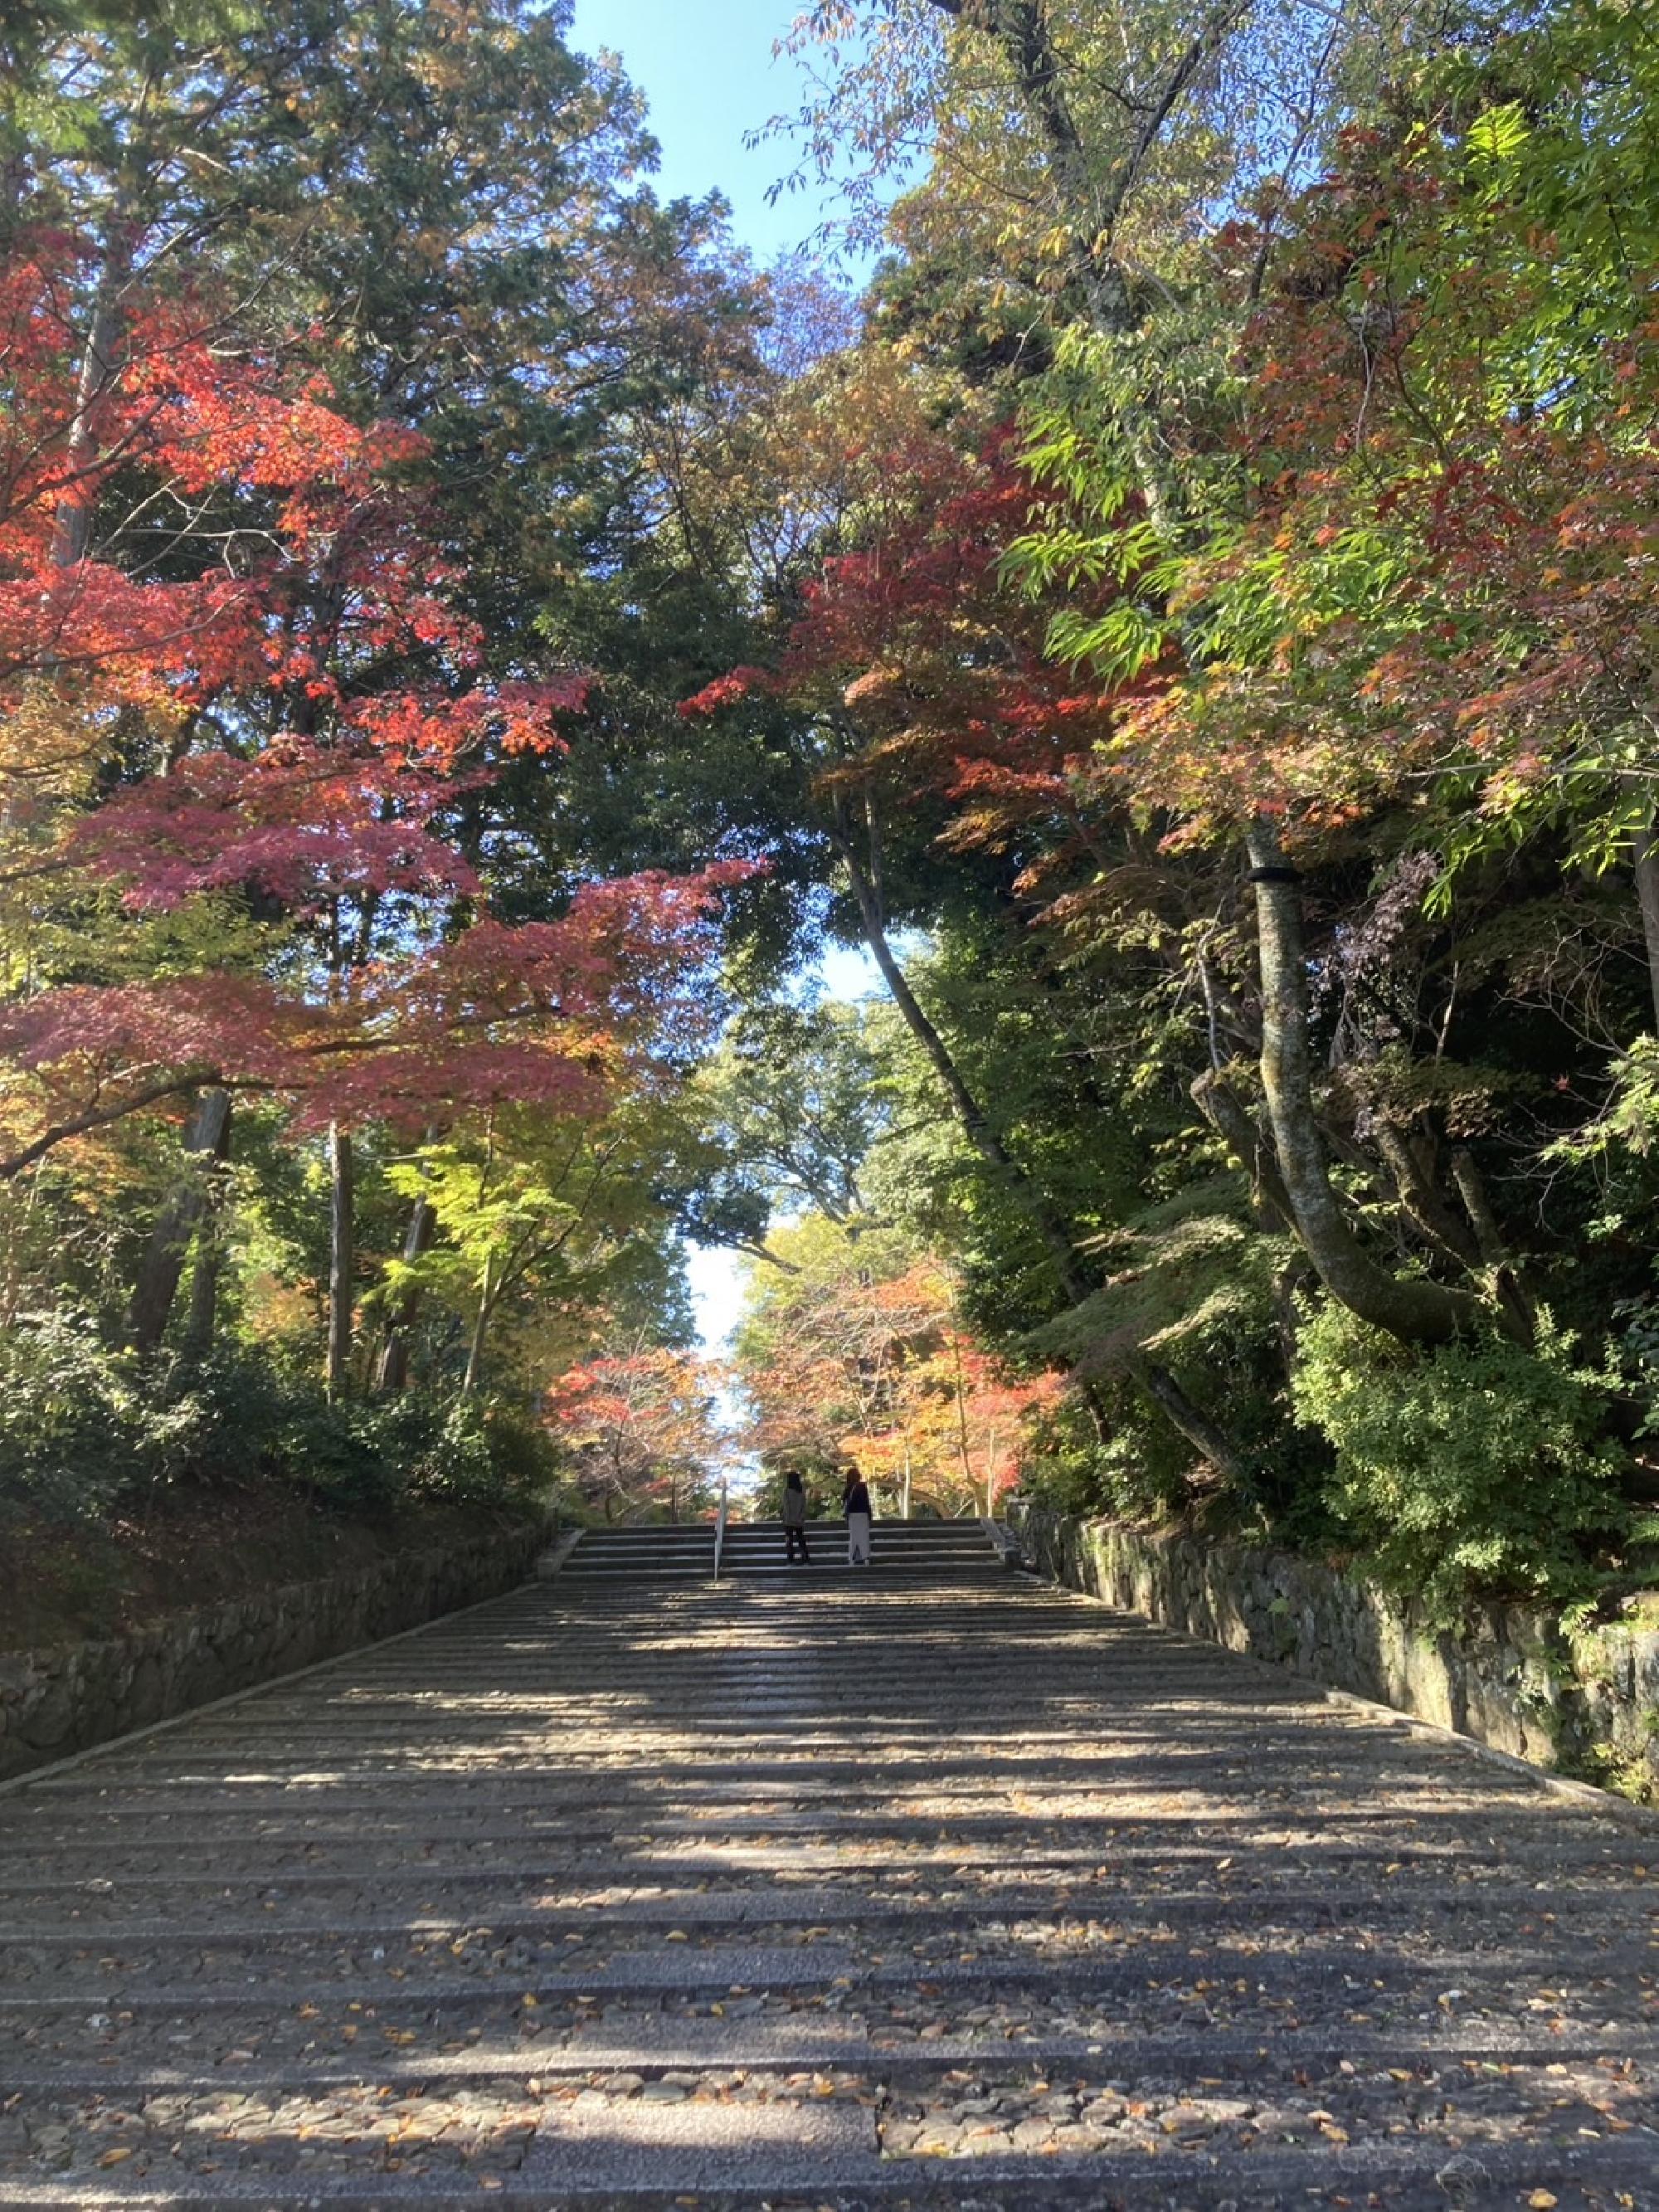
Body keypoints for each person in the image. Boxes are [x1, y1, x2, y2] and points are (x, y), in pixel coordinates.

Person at [843, 1464, 873, 1567]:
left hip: (852, 1515)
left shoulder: (848, 1488)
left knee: (854, 1537)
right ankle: (866, 1559)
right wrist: (870, 1514)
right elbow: (866, 1501)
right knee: (864, 1537)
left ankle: (852, 1558)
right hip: (863, 1514)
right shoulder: (862, 1487)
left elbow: (845, 1502)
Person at [781, 1469, 810, 1563]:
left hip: (789, 1521)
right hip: (799, 1520)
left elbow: (786, 1506)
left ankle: (791, 1560)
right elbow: (804, 1506)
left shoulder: (786, 1492)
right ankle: (805, 1559)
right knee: (801, 1540)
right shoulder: (801, 1492)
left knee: (789, 1541)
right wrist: (801, 1517)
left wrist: (787, 1517)